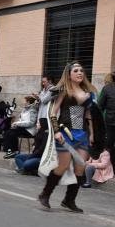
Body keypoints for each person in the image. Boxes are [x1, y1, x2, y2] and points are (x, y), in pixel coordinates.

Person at [38, 61, 102, 213]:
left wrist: (92, 133)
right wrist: (56, 131)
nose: (80, 73)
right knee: (63, 166)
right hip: (66, 133)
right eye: (76, 71)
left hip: (82, 134)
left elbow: (88, 114)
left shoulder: (87, 92)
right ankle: (45, 194)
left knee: (80, 169)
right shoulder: (63, 91)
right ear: (69, 74)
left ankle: (69, 200)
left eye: (81, 70)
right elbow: (53, 113)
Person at [98, 72, 115, 168]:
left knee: (109, 146)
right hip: (110, 122)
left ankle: (108, 168)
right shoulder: (107, 89)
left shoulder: (107, 89)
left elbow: (100, 107)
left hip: (110, 122)